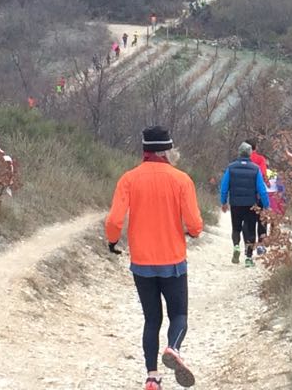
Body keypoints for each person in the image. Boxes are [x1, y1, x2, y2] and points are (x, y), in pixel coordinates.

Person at [106, 126, 203, 390]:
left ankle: (152, 377)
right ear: (168, 150)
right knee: (179, 314)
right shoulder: (182, 180)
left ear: (144, 150)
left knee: (152, 319)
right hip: (173, 262)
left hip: (142, 262)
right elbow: (194, 223)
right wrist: (193, 231)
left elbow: (114, 219)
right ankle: (173, 348)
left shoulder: (129, 179)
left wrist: (113, 240)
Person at [219, 142, 270, 268]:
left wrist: (223, 202)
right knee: (250, 230)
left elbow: (224, 187)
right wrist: (266, 205)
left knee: (236, 228)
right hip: (251, 205)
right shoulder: (255, 169)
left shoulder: (231, 168)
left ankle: (236, 246)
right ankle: (248, 257)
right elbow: (261, 189)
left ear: (238, 153)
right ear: (249, 154)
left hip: (235, 203)